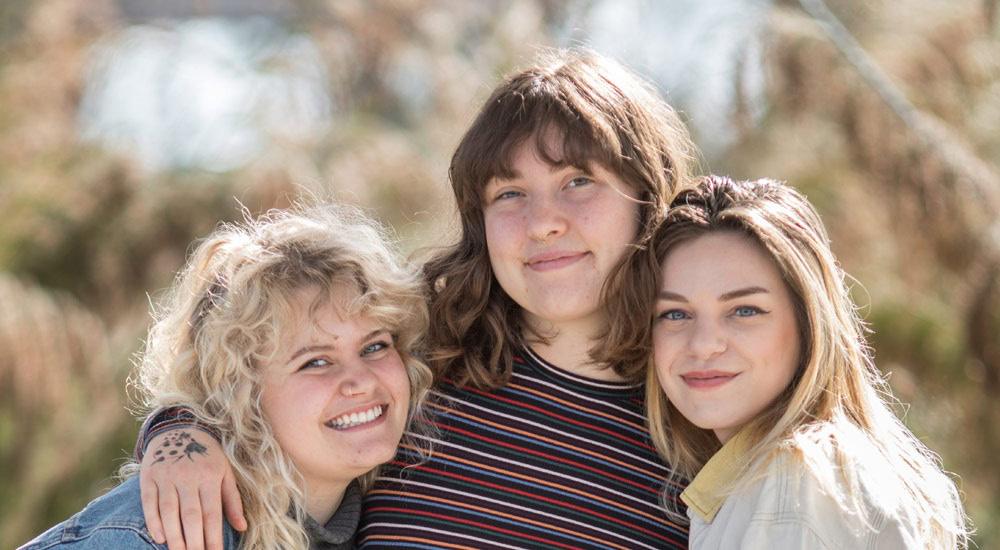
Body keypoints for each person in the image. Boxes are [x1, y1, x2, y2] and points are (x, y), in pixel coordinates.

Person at [133, 49, 700, 550]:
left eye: (578, 181)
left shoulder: (699, 417)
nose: (543, 223)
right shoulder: (423, 362)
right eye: (509, 193)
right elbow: (243, 386)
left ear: (646, 196)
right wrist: (180, 434)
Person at [19, 202, 434, 549]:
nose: (361, 380)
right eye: (316, 361)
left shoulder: (388, 506)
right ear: (240, 391)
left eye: (375, 346)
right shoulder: (165, 533)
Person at [628, 176, 970, 548]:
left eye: (744, 310)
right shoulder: (790, 479)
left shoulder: (796, 487)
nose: (704, 344)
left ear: (809, 324)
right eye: (675, 314)